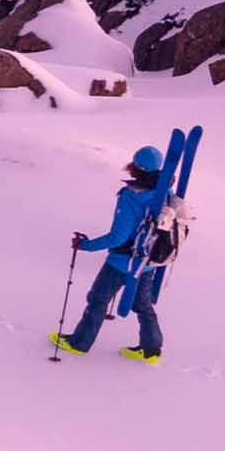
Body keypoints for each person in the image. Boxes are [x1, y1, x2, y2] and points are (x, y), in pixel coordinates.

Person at [53, 148, 170, 363]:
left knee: (98, 299)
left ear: (136, 166)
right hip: (148, 260)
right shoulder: (164, 194)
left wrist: (85, 246)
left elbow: (118, 237)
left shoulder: (132, 196)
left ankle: (79, 343)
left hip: (122, 261)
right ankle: (151, 350)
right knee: (142, 304)